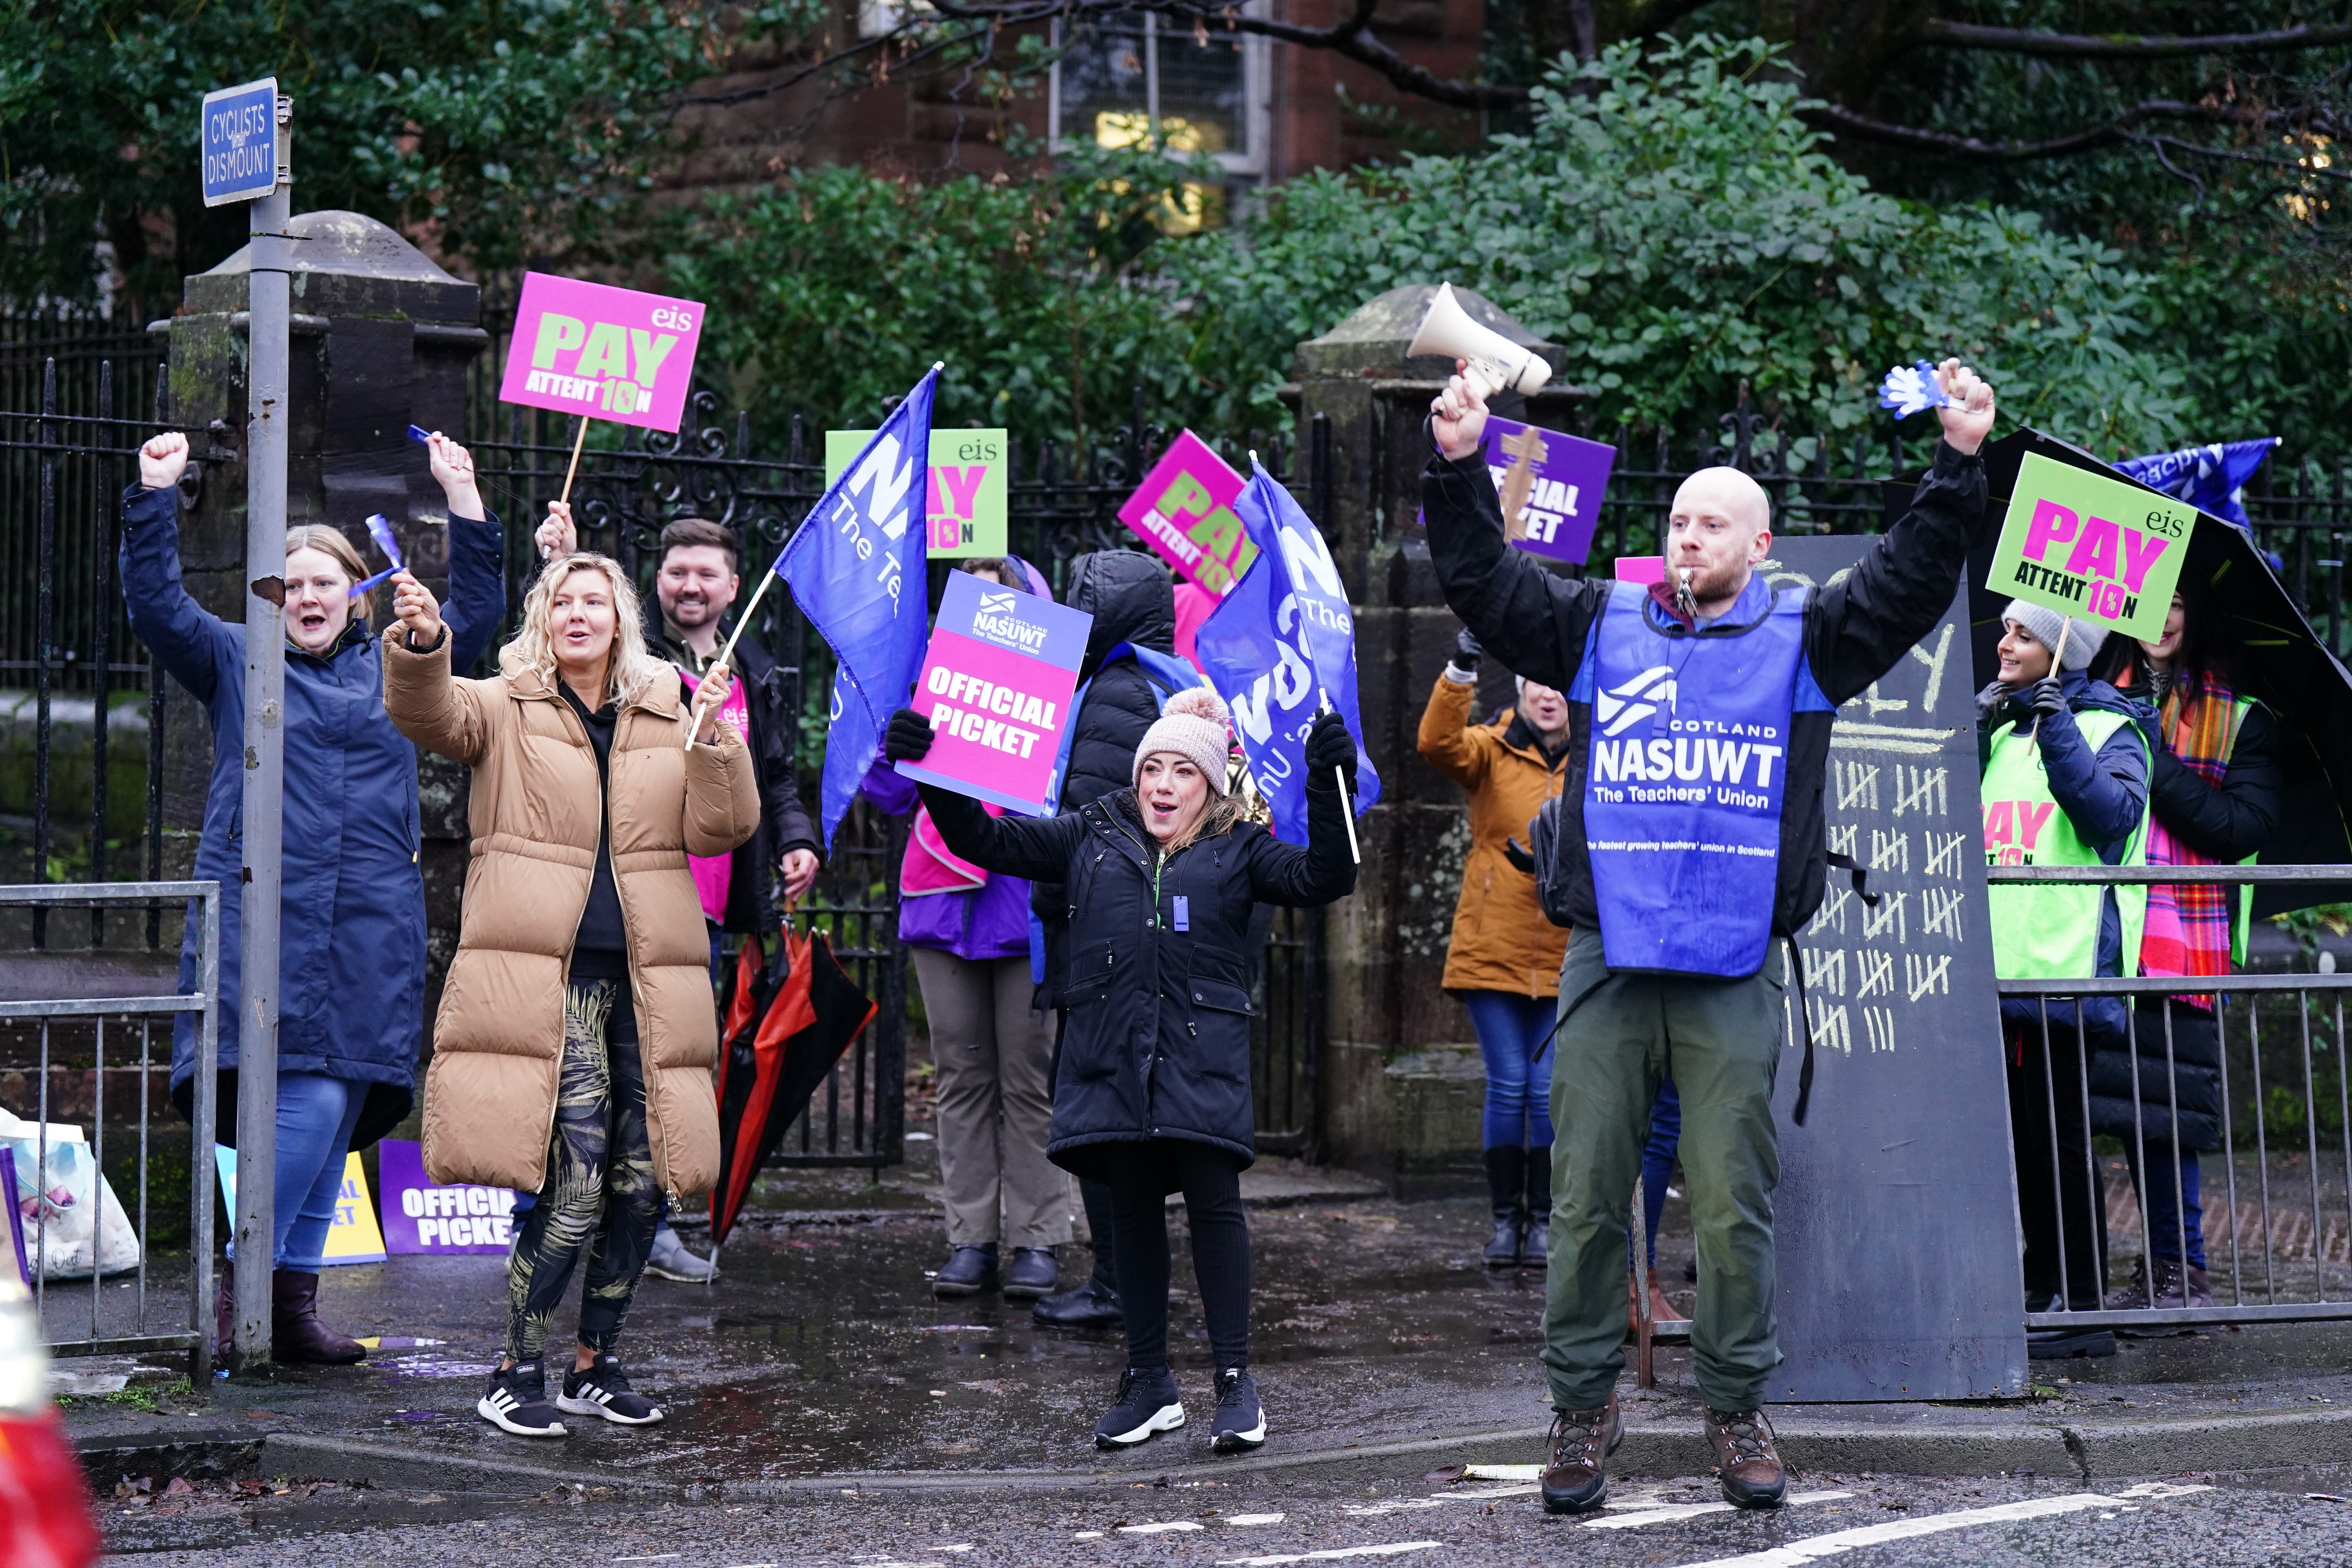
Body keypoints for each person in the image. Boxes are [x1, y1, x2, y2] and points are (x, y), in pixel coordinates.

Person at [1424, 357, 1996, 1512]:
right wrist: (1455, 464)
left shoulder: (1810, 640)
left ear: (1761, 546)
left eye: (1712, 523)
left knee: (1733, 1200)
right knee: (1584, 1195)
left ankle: (1734, 1407)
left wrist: (1959, 461)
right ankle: (1583, 1409)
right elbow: (1488, 586)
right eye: (1678, 519)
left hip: (1734, 965)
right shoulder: (1597, 623)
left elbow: (1913, 579)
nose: (1687, 537)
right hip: (1606, 958)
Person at [883, 690, 1359, 1454]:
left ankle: (1236, 1384)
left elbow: (1325, 877)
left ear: (1209, 783)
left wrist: (1329, 784)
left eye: (1183, 771)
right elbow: (984, 840)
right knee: (1130, 1208)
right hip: (1110, 1054)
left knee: (1215, 1205)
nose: (1164, 785)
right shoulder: (1092, 830)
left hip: (1202, 1057)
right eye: (1153, 769)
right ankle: (1148, 1381)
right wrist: (934, 768)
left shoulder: (1241, 845)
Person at [121, 430, 505, 1364]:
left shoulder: (400, 664)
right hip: (265, 912)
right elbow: (158, 607)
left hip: (372, 917)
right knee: (292, 1097)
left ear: (355, 592)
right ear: (269, 598)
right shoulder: (233, 658)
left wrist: (465, 501)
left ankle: (289, 1307)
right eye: (288, 583)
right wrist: (155, 493)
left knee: (342, 1101)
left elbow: (481, 618)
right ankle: (235, 1296)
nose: (305, 596)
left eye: (324, 581)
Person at [382, 550, 758, 1438]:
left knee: (642, 1181)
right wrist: (425, 641)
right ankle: (514, 1367)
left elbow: (725, 826)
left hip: (650, 980)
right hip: (550, 980)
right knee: (580, 1179)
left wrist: (715, 739)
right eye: (563, 600)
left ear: (622, 618)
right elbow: (425, 711)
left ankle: (598, 1361)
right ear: (542, 617)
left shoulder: (671, 705)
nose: (578, 614)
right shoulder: (504, 700)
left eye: (596, 600)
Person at [537, 506, 824, 1284]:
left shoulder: (756, 668)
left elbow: (774, 777)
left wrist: (797, 840)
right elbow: (557, 661)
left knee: (670, 1070)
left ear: (733, 587)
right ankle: (571, 1215)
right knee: (594, 1062)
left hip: (714, 912)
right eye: (676, 571)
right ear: (654, 580)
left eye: (706, 573)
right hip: (633, 894)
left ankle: (650, 1219)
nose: (690, 585)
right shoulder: (632, 655)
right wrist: (560, 562)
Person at [862, 559, 1067, 1301]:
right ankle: (971, 1238)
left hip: (1026, 905)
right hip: (942, 907)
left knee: (1028, 1078)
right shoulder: (925, 686)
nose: (985, 609)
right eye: (969, 597)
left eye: (998, 596)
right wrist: (896, 746)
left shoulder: (1063, 695)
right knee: (961, 1078)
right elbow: (885, 794)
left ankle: (1039, 1239)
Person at [2090, 587, 2279, 1312]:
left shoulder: (2241, 721)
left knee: (2164, 1108)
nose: (2160, 619)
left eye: (2174, 601)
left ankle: (2182, 1272)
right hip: (2106, 931)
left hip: (2182, 942)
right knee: (2116, 1104)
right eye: (2142, 600)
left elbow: (2242, 827)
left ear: (2200, 611)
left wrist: (2152, 757)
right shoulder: (2096, 696)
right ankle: (2142, 1270)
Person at [1979, 600, 2151, 1359]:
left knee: (2062, 1142)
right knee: (2026, 1142)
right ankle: (2042, 1287)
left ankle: (2082, 1306)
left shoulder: (2115, 729)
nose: (2004, 643)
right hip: (2001, 972)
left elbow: (2110, 815)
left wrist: (2057, 728)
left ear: (2059, 652)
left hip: (2062, 972)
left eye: (2022, 634)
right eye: (2008, 630)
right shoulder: (2008, 727)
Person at [1028, 550, 1184, 1331]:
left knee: (1102, 1114)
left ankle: (1117, 1286)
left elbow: (1082, 828)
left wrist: (1047, 904)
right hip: (1154, 940)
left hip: (1100, 943)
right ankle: (1132, 1280)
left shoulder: (1111, 691)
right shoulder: (1167, 676)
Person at [1417, 630, 1571, 1269]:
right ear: (1521, 688)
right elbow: (1437, 743)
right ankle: (1507, 1224)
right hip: (1494, 946)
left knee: (1549, 1091)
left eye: (1558, 682)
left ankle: (1544, 1226)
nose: (1547, 694)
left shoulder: (1598, 754)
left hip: (1569, 953)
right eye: (1537, 681)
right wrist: (1461, 665)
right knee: (1511, 1086)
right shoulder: (1493, 747)